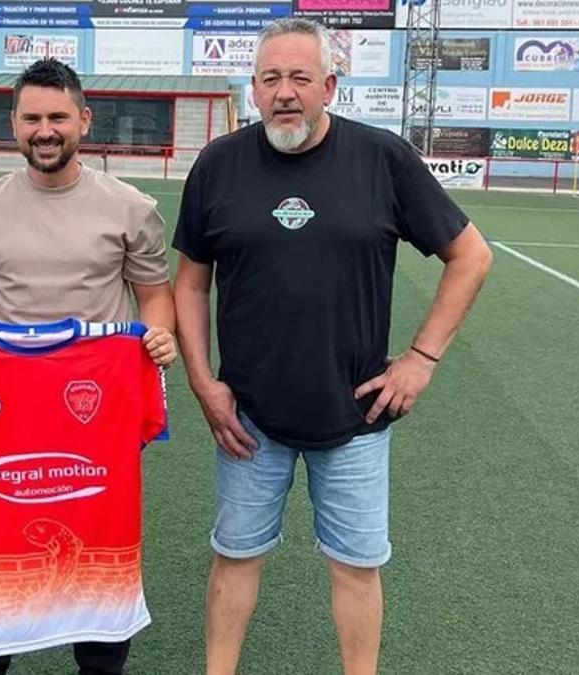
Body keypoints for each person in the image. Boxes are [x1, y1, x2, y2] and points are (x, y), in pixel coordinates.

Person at [172, 18, 493, 675]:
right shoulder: (218, 164)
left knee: (356, 565)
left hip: (356, 416)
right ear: (253, 90)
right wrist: (205, 382)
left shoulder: (383, 158)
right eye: (270, 79)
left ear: (330, 85)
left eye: (299, 77)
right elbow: (189, 281)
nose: (284, 92)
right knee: (234, 555)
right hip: (248, 419)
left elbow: (471, 255)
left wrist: (421, 358)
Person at [0, 58, 177, 674]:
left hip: (93, 412)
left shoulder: (130, 207)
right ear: (14, 125)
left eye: (57, 117)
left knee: (96, 541)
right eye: (32, 118)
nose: (44, 130)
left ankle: (100, 663)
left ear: (84, 119)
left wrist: (161, 336)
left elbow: (156, 294)